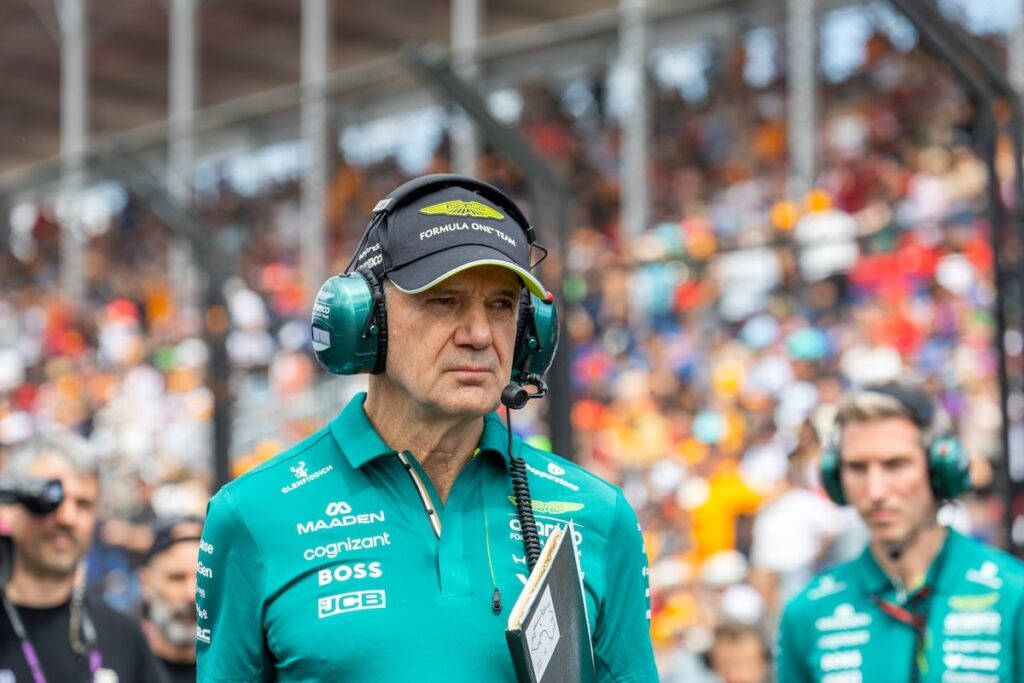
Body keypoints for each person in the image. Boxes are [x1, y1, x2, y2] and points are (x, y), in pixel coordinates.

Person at [196, 174, 658, 681]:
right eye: (443, 301)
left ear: (530, 333)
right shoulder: (252, 515)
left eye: (502, 305)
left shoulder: (600, 515)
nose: (479, 334)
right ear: (365, 319)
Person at [776, 381, 1024, 682]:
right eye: (857, 468)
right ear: (836, 479)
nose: (875, 491)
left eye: (895, 464)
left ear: (939, 469)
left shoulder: (1013, 595)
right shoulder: (808, 612)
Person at [0, 434, 161, 682]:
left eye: (83, 504)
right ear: (11, 505)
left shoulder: (123, 637)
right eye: (50, 499)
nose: (67, 518)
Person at [139, 516, 203, 683]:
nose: (191, 594)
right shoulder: (121, 666)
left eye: (203, 579)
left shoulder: (243, 671)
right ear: (146, 584)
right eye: (177, 578)